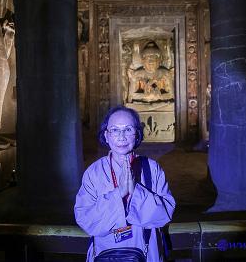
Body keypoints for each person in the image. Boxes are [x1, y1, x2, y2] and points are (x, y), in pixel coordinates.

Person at [74, 106, 176, 262]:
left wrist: (136, 191)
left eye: (128, 129)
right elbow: (85, 220)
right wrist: (118, 194)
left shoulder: (152, 169)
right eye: (114, 130)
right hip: (106, 253)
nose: (121, 137)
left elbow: (165, 214)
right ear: (106, 136)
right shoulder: (93, 173)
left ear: (137, 135)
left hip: (147, 252)